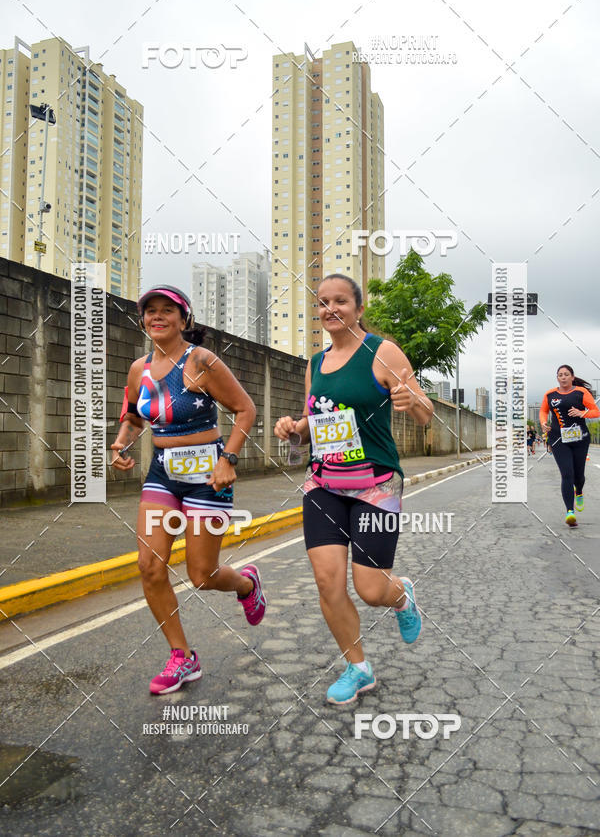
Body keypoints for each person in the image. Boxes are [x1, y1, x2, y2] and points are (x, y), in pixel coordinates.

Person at [274, 274, 433, 705]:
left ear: (358, 309)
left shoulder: (382, 352)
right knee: (328, 582)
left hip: (375, 484)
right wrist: (293, 428)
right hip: (324, 483)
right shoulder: (314, 363)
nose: (330, 309)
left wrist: (411, 401)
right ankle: (357, 667)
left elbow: (424, 413)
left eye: (340, 301)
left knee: (369, 588)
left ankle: (402, 596)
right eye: (323, 302)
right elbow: (314, 424)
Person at [111, 285, 265, 695]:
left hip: (206, 476)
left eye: (167, 311)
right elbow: (132, 416)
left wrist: (227, 459)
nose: (157, 317)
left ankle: (247, 584)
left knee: (202, 575)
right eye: (150, 311)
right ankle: (182, 656)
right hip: (162, 473)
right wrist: (121, 443)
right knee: (149, 566)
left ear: (184, 319)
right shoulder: (138, 369)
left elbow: (245, 409)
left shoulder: (200, 361)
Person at [539, 364, 599, 527]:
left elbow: (596, 411)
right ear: (557, 378)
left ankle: (578, 491)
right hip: (558, 438)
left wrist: (582, 413)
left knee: (578, 476)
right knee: (567, 474)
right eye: (560, 375)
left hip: (580, 438)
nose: (563, 377)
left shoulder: (581, 392)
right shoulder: (550, 394)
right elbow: (543, 411)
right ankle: (570, 512)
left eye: (566, 374)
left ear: (572, 377)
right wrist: (544, 423)